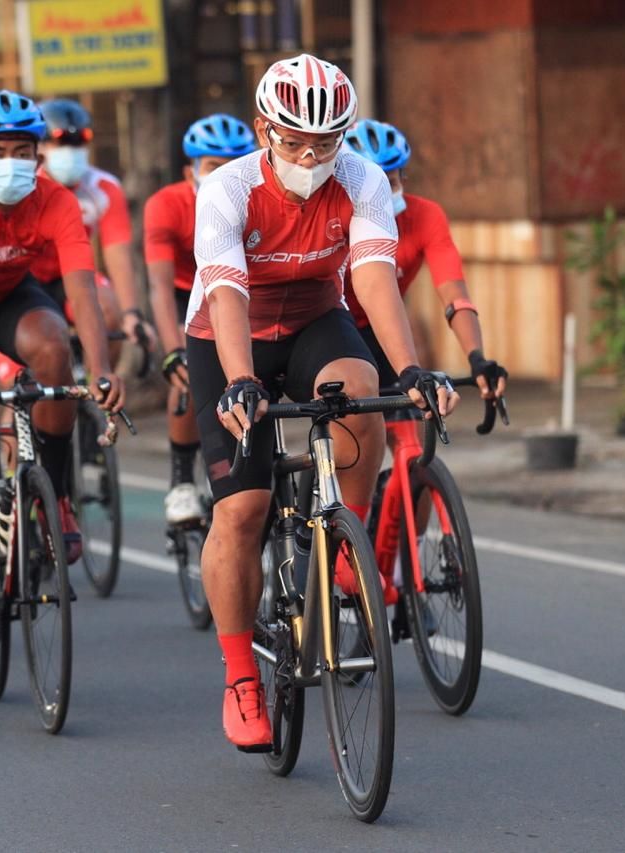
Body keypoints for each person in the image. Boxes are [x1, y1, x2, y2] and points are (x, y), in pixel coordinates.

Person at [185, 55, 458, 750]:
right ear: (263, 130)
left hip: (313, 319)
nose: (312, 156)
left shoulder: (363, 179)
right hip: (228, 333)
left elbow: (372, 281)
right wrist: (241, 379)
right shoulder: (227, 188)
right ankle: (242, 674)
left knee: (363, 390)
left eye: (327, 142)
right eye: (296, 142)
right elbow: (225, 292)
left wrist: (412, 368)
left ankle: (346, 545)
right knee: (242, 509)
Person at [0, 89, 124, 676]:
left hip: (13, 298)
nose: (10, 159)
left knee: (56, 349)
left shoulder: (56, 200)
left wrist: (103, 368)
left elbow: (81, 288)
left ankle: (55, 495)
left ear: (37, 156)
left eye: (21, 149)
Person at [342, 119, 508, 400]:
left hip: (382, 328)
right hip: (331, 329)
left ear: (403, 178)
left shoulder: (426, 216)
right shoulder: (332, 216)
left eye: (389, 182)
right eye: (370, 184)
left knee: (415, 416)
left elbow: (455, 296)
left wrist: (476, 357)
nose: (379, 194)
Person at [144, 114, 257, 525]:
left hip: (240, 288)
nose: (225, 174)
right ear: (190, 171)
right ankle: (181, 482)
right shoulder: (166, 205)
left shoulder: (256, 197)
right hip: (185, 292)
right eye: (213, 166)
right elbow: (157, 284)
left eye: (235, 162)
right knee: (188, 375)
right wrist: (173, 349)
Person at [32, 98, 157, 357]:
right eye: (61, 141)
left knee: (108, 308)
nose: (71, 150)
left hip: (74, 275)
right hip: (26, 278)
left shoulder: (104, 186)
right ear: (40, 145)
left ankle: (96, 387)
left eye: (79, 143)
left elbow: (117, 252)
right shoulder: (28, 185)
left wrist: (131, 313)